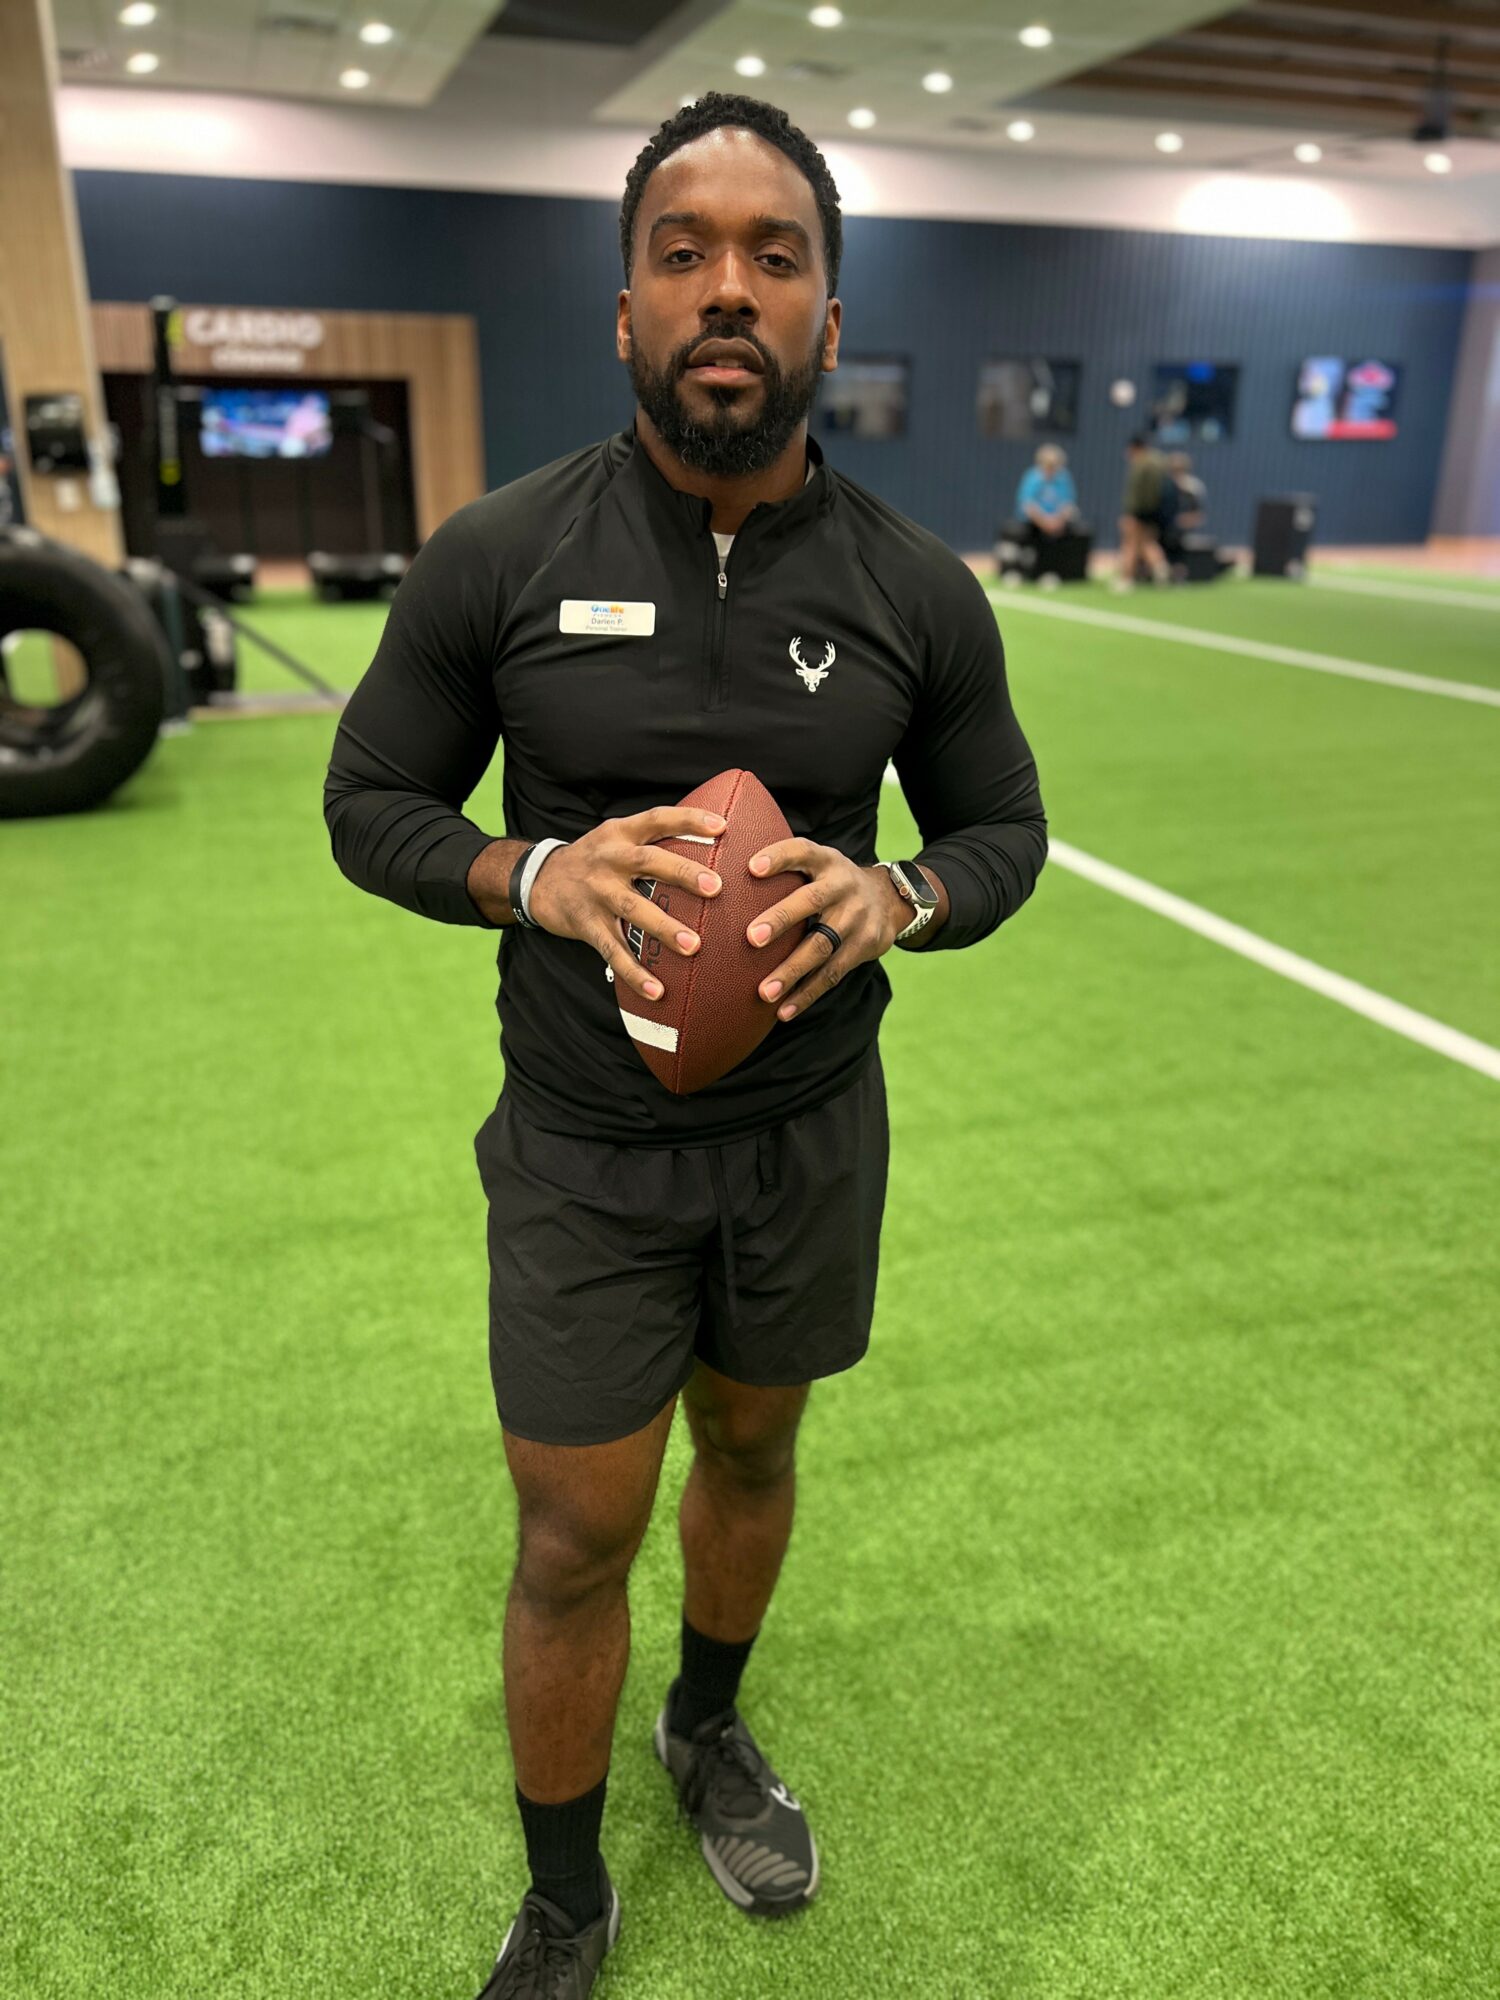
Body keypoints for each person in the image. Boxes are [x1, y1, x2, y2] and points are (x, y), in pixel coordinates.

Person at [323, 91, 1047, 1999]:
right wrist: (526, 868)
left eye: (775, 255)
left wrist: (906, 898)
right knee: (576, 1528)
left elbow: (1004, 832)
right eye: (684, 252)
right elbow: (370, 796)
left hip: (811, 1133)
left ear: (827, 314)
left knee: (754, 1445)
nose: (729, 287)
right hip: (579, 1147)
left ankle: (706, 1725)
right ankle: (567, 1897)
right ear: (626, 307)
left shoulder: (916, 588)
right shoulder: (497, 552)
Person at [1113, 433, 1173, 590]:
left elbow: (1135, 492)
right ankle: (1161, 569)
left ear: (1134, 447)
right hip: (1156, 511)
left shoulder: (1140, 464)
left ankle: (1126, 579)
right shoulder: (1160, 461)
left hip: (1139, 511)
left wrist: (1130, 513)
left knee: (1130, 544)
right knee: (1147, 543)